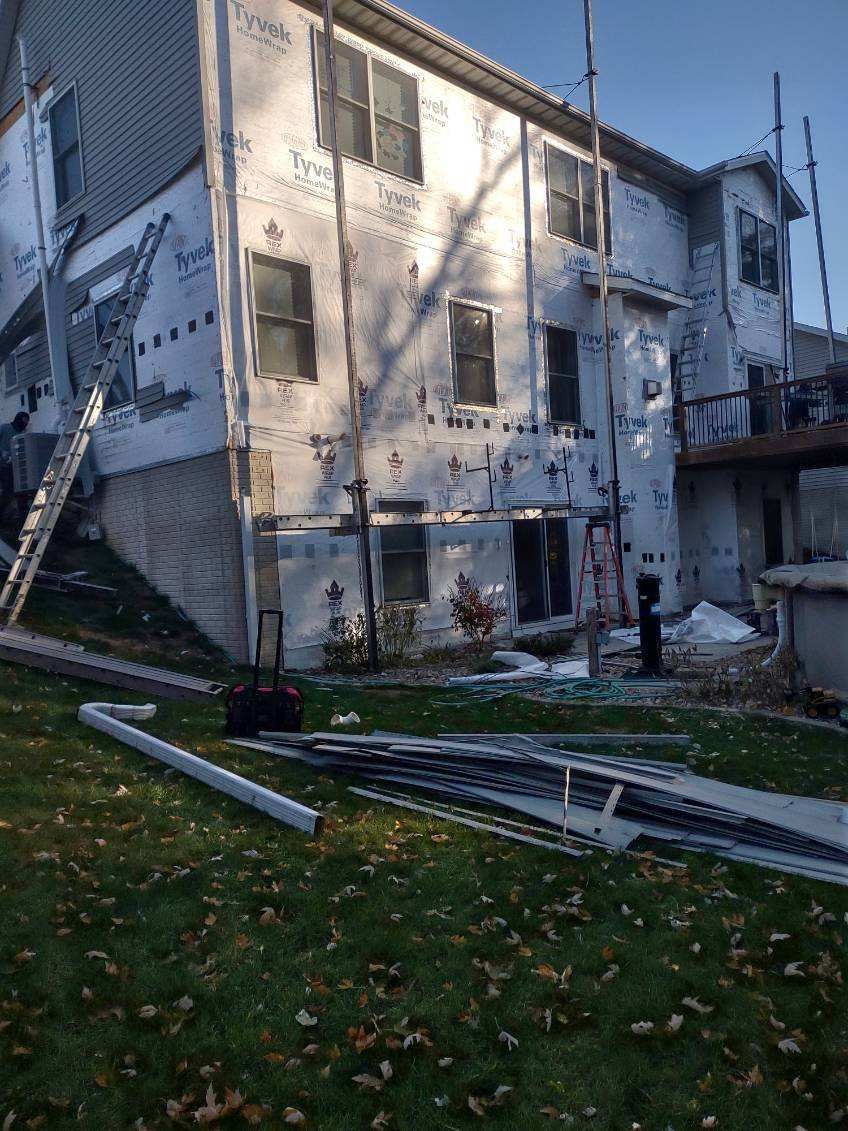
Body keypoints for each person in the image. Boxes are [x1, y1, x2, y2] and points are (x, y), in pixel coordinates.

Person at [0, 410, 29, 524]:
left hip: (17, 466)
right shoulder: (4, 428)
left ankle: (23, 518)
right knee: (7, 490)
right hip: (3, 465)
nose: (23, 426)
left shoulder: (23, 433)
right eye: (22, 423)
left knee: (22, 490)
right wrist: (2, 452)